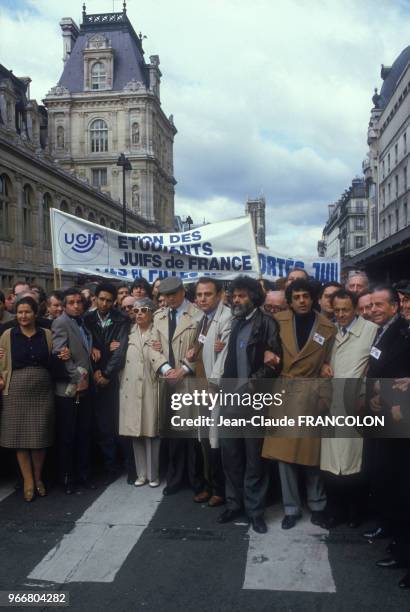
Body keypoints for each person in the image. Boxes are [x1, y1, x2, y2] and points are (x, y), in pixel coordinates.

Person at [262, 279, 336, 530]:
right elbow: (265, 344)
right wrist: (266, 354)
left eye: (306, 296)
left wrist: (326, 373)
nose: (302, 300)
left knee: (312, 457)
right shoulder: (277, 320)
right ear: (290, 300)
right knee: (284, 458)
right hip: (285, 391)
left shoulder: (327, 327)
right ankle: (291, 508)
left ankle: (317, 505)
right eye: (296, 297)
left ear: (313, 298)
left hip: (312, 392)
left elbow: (330, 359)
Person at [218, 275, 282, 534]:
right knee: (230, 455)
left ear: (254, 296)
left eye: (242, 296)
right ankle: (234, 504)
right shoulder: (235, 322)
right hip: (229, 399)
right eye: (234, 296)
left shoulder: (267, 323)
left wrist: (249, 385)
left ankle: (255, 512)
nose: (236, 300)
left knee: (254, 459)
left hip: (254, 401)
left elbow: (274, 362)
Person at [320, 289, 377, 528]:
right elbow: (319, 359)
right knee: (332, 466)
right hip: (332, 405)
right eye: (337, 310)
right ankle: (336, 511)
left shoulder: (371, 331)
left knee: (356, 463)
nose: (341, 314)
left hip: (356, 405)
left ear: (355, 308)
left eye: (346, 309)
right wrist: (323, 365)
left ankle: (357, 512)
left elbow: (378, 365)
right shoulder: (329, 332)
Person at [363, 285, 410, 550]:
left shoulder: (403, 331)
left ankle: (399, 541)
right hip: (379, 410)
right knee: (381, 473)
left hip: (398, 413)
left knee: (395, 477)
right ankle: (389, 527)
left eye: (379, 305)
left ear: (394, 306)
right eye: (371, 305)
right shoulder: (382, 330)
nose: (373, 310)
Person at [149, 276, 201, 496]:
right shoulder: (159, 316)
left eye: (172, 295)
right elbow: (152, 348)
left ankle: (196, 480)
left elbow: (202, 348)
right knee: (172, 434)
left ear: (182, 292)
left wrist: (184, 369)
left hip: (189, 380)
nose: (168, 299)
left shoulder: (198, 315)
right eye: (165, 296)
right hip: (167, 381)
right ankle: (175, 478)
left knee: (192, 434)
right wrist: (165, 369)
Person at [0, 297, 54, 502]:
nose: (23, 316)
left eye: (27, 312)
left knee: (40, 438)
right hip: (15, 391)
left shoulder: (46, 334)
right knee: (19, 438)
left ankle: (39, 478)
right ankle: (28, 480)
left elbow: (54, 358)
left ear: (35, 314)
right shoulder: (7, 334)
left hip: (42, 391)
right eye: (20, 312)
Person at [187, 277, 232, 507]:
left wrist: (213, 384)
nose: (203, 298)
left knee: (216, 440)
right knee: (203, 437)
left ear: (219, 295)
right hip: (201, 386)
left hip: (215, 389)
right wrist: (192, 354)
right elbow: (200, 346)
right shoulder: (202, 319)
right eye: (200, 295)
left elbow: (223, 357)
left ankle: (219, 489)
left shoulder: (226, 317)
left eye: (208, 294)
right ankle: (207, 484)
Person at [85, 282, 131, 482]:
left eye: (109, 300)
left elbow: (120, 352)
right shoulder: (86, 319)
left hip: (113, 379)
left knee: (116, 424)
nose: (104, 303)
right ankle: (107, 465)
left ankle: (121, 465)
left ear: (114, 302)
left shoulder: (121, 319)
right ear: (95, 298)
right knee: (99, 425)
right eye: (101, 299)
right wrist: (95, 370)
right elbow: (84, 345)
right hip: (92, 378)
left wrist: (105, 373)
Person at [52, 288, 94, 494]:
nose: (76, 305)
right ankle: (68, 478)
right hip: (69, 390)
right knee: (68, 436)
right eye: (71, 302)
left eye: (79, 301)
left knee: (84, 434)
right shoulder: (61, 322)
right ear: (64, 304)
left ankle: (83, 475)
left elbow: (83, 349)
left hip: (85, 388)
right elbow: (61, 354)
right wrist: (78, 379)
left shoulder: (83, 322)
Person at [120, 298, 161, 487]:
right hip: (130, 388)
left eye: (144, 310)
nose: (139, 314)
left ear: (152, 312)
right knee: (135, 432)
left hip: (150, 386)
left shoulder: (158, 332)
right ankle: (141, 474)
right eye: (136, 311)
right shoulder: (128, 333)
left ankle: (153, 474)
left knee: (151, 432)